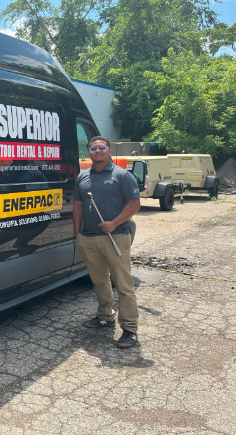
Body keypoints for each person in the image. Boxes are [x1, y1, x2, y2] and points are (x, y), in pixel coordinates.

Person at [73, 136, 141, 348]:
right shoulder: (82, 177)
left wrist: (114, 223)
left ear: (109, 151)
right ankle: (105, 316)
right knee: (99, 282)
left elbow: (134, 204)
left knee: (123, 284)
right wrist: (78, 233)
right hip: (88, 238)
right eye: (94, 148)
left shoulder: (122, 176)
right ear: (89, 152)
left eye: (102, 148)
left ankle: (130, 329)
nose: (98, 151)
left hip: (115, 236)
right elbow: (77, 205)